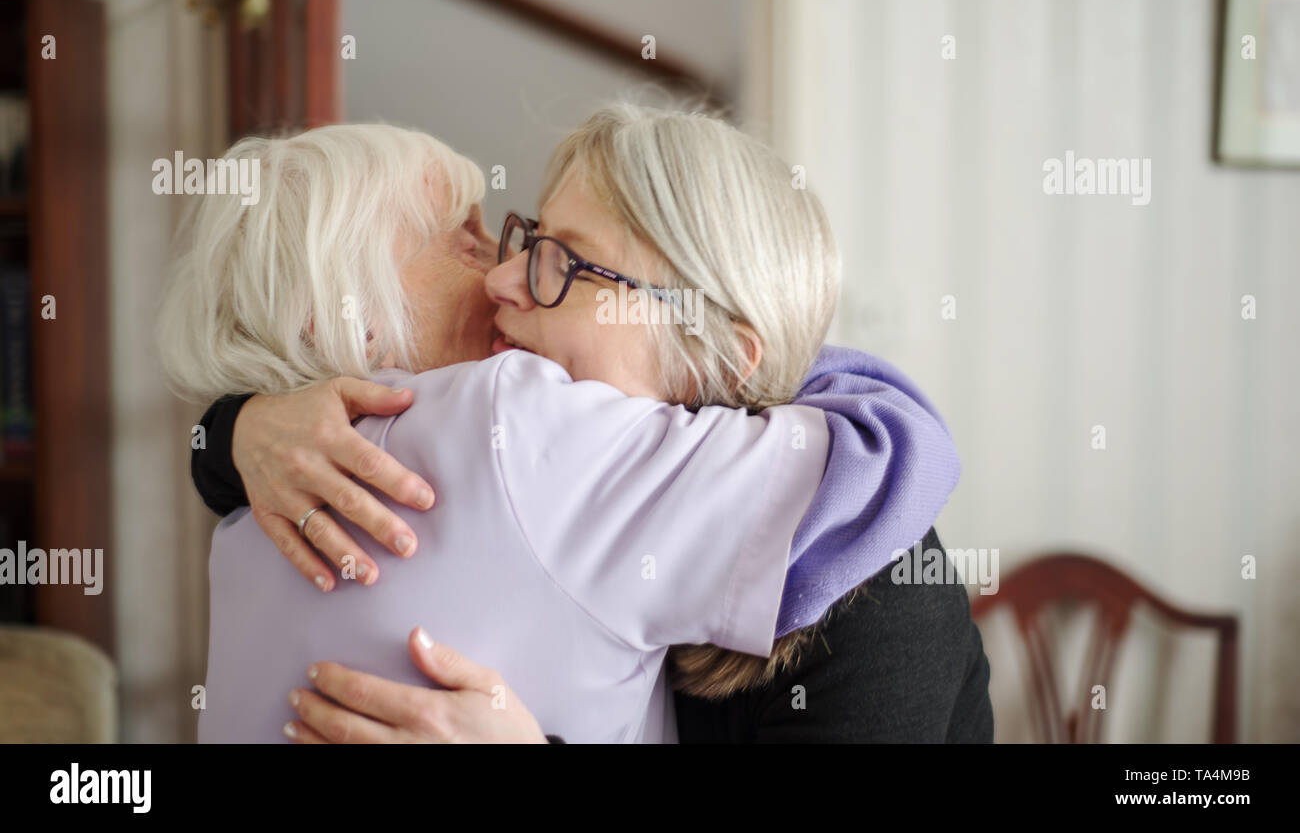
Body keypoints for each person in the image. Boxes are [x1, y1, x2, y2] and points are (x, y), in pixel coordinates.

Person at [178, 108, 990, 741]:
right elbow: (889, 448)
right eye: (477, 238)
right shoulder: (449, 449)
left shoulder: (875, 594)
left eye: (563, 261)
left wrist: (235, 427)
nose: (502, 275)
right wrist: (240, 431)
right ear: (339, 319)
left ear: (713, 352)